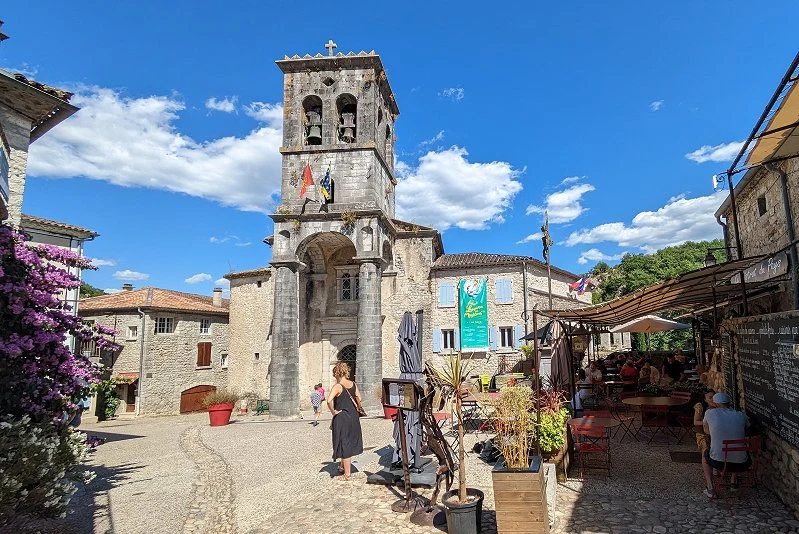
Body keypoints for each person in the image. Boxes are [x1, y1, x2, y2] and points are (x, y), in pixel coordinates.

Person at [701, 392, 750, 498]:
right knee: (736, 448)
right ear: (728, 403)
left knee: (705, 454)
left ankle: (710, 488)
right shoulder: (740, 415)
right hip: (742, 463)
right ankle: (733, 481)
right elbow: (746, 429)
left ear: (715, 403)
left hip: (719, 462)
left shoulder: (710, 413)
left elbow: (706, 430)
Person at [327, 362, 364, 481]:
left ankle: (347, 474)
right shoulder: (353, 384)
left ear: (336, 373)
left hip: (342, 417)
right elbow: (359, 398)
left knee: (344, 443)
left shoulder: (338, 386)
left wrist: (333, 412)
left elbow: (329, 400)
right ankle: (342, 466)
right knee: (349, 440)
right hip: (353, 416)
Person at [693, 389, 716, 454]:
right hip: (703, 431)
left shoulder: (720, 406)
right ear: (705, 400)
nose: (713, 400)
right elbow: (696, 422)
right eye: (710, 398)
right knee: (705, 447)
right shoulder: (700, 406)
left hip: (715, 431)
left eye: (714, 397)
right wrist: (707, 423)